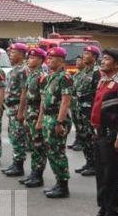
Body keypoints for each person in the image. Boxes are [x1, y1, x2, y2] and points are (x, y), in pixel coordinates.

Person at [85, 48, 118, 216]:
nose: (103, 61)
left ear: (117, 64)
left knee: (111, 177)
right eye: (103, 58)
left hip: (112, 136)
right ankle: (102, 210)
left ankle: (112, 214)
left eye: (106, 59)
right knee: (101, 175)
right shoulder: (103, 80)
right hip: (100, 135)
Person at [37, 47, 73, 198]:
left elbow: (65, 101)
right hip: (48, 118)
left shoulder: (65, 77)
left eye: (52, 58)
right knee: (51, 152)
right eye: (48, 58)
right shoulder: (51, 76)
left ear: (61, 60)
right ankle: (59, 182)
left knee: (57, 152)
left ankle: (63, 186)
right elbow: (44, 100)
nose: (49, 60)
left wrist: (59, 122)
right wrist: (40, 120)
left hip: (57, 119)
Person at [17, 47, 48, 188]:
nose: (29, 60)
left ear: (41, 60)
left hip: (37, 114)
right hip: (30, 114)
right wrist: (22, 112)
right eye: (29, 57)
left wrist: (40, 119)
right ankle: (33, 173)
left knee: (39, 146)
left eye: (33, 58)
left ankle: (38, 175)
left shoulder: (42, 76)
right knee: (33, 146)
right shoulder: (31, 75)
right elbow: (24, 95)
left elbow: (43, 100)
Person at [73, 46, 101, 176]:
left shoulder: (97, 72)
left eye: (88, 53)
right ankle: (88, 162)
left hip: (90, 110)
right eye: (84, 53)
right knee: (83, 137)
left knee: (91, 137)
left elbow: (98, 93)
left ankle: (95, 164)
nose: (84, 55)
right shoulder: (82, 72)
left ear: (94, 57)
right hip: (79, 109)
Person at [2, 43, 29, 176]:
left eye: (13, 53)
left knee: (18, 137)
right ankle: (15, 162)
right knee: (13, 136)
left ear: (21, 54)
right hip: (11, 108)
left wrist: (21, 112)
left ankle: (19, 166)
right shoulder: (14, 69)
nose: (10, 55)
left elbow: (24, 92)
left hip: (17, 107)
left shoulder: (23, 70)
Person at [69, 56, 86, 151]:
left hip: (81, 104)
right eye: (77, 60)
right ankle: (77, 140)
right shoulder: (76, 74)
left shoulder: (85, 75)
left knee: (81, 124)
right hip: (74, 104)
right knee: (76, 122)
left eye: (80, 60)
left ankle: (82, 142)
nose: (77, 62)